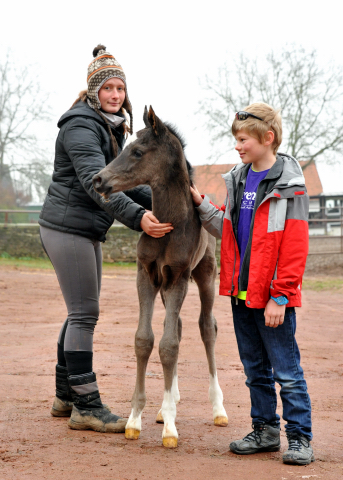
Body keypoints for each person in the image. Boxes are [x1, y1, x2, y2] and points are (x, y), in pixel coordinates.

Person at [39, 45, 173, 433]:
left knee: (79, 311)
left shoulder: (108, 126)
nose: (116, 95)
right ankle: (87, 406)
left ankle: (66, 395)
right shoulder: (81, 126)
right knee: (84, 314)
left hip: (83, 229)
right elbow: (96, 184)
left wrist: (173, 201)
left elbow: (128, 184)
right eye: (108, 88)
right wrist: (139, 219)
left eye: (120, 88)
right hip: (67, 229)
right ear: (93, 91)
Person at [190, 103, 314, 465]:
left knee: (287, 373)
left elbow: (295, 246)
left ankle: (300, 438)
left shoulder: (291, 187)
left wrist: (281, 295)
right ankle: (265, 431)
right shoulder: (238, 180)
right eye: (236, 139)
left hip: (273, 298)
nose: (238, 146)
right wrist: (202, 205)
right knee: (254, 370)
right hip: (241, 297)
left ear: (267, 138)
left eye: (243, 139)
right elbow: (228, 232)